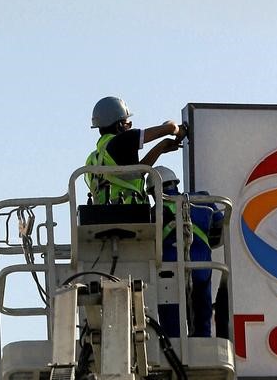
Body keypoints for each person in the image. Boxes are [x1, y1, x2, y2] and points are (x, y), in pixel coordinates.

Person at [146, 166, 224, 338]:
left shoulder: (153, 213)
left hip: (169, 271)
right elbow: (220, 226)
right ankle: (202, 342)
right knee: (202, 315)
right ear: (175, 183)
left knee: (171, 321)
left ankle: (173, 347)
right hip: (201, 267)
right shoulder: (204, 200)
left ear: (152, 191)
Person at [85, 96, 186, 204]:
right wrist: (180, 130)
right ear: (120, 125)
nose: (129, 127)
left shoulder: (93, 159)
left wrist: (161, 147)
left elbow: (136, 173)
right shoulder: (122, 140)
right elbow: (171, 128)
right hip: (130, 212)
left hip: (103, 216)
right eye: (128, 124)